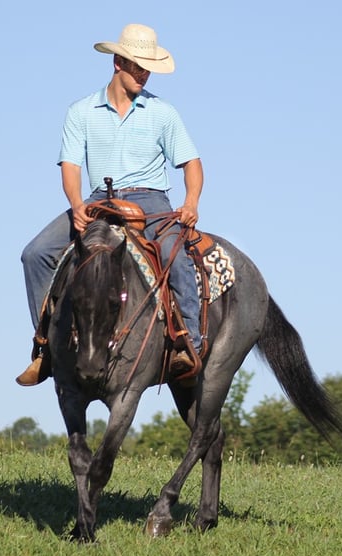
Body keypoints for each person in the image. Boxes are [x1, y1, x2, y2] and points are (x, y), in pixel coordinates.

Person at [16, 23, 204, 386]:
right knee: (35, 254)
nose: (144, 74)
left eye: (148, 67)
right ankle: (46, 347)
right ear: (118, 62)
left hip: (150, 200)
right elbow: (70, 167)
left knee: (175, 256)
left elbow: (192, 164)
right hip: (97, 201)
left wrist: (191, 201)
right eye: (138, 65)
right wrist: (76, 204)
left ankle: (189, 345)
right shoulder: (81, 111)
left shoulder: (163, 113)